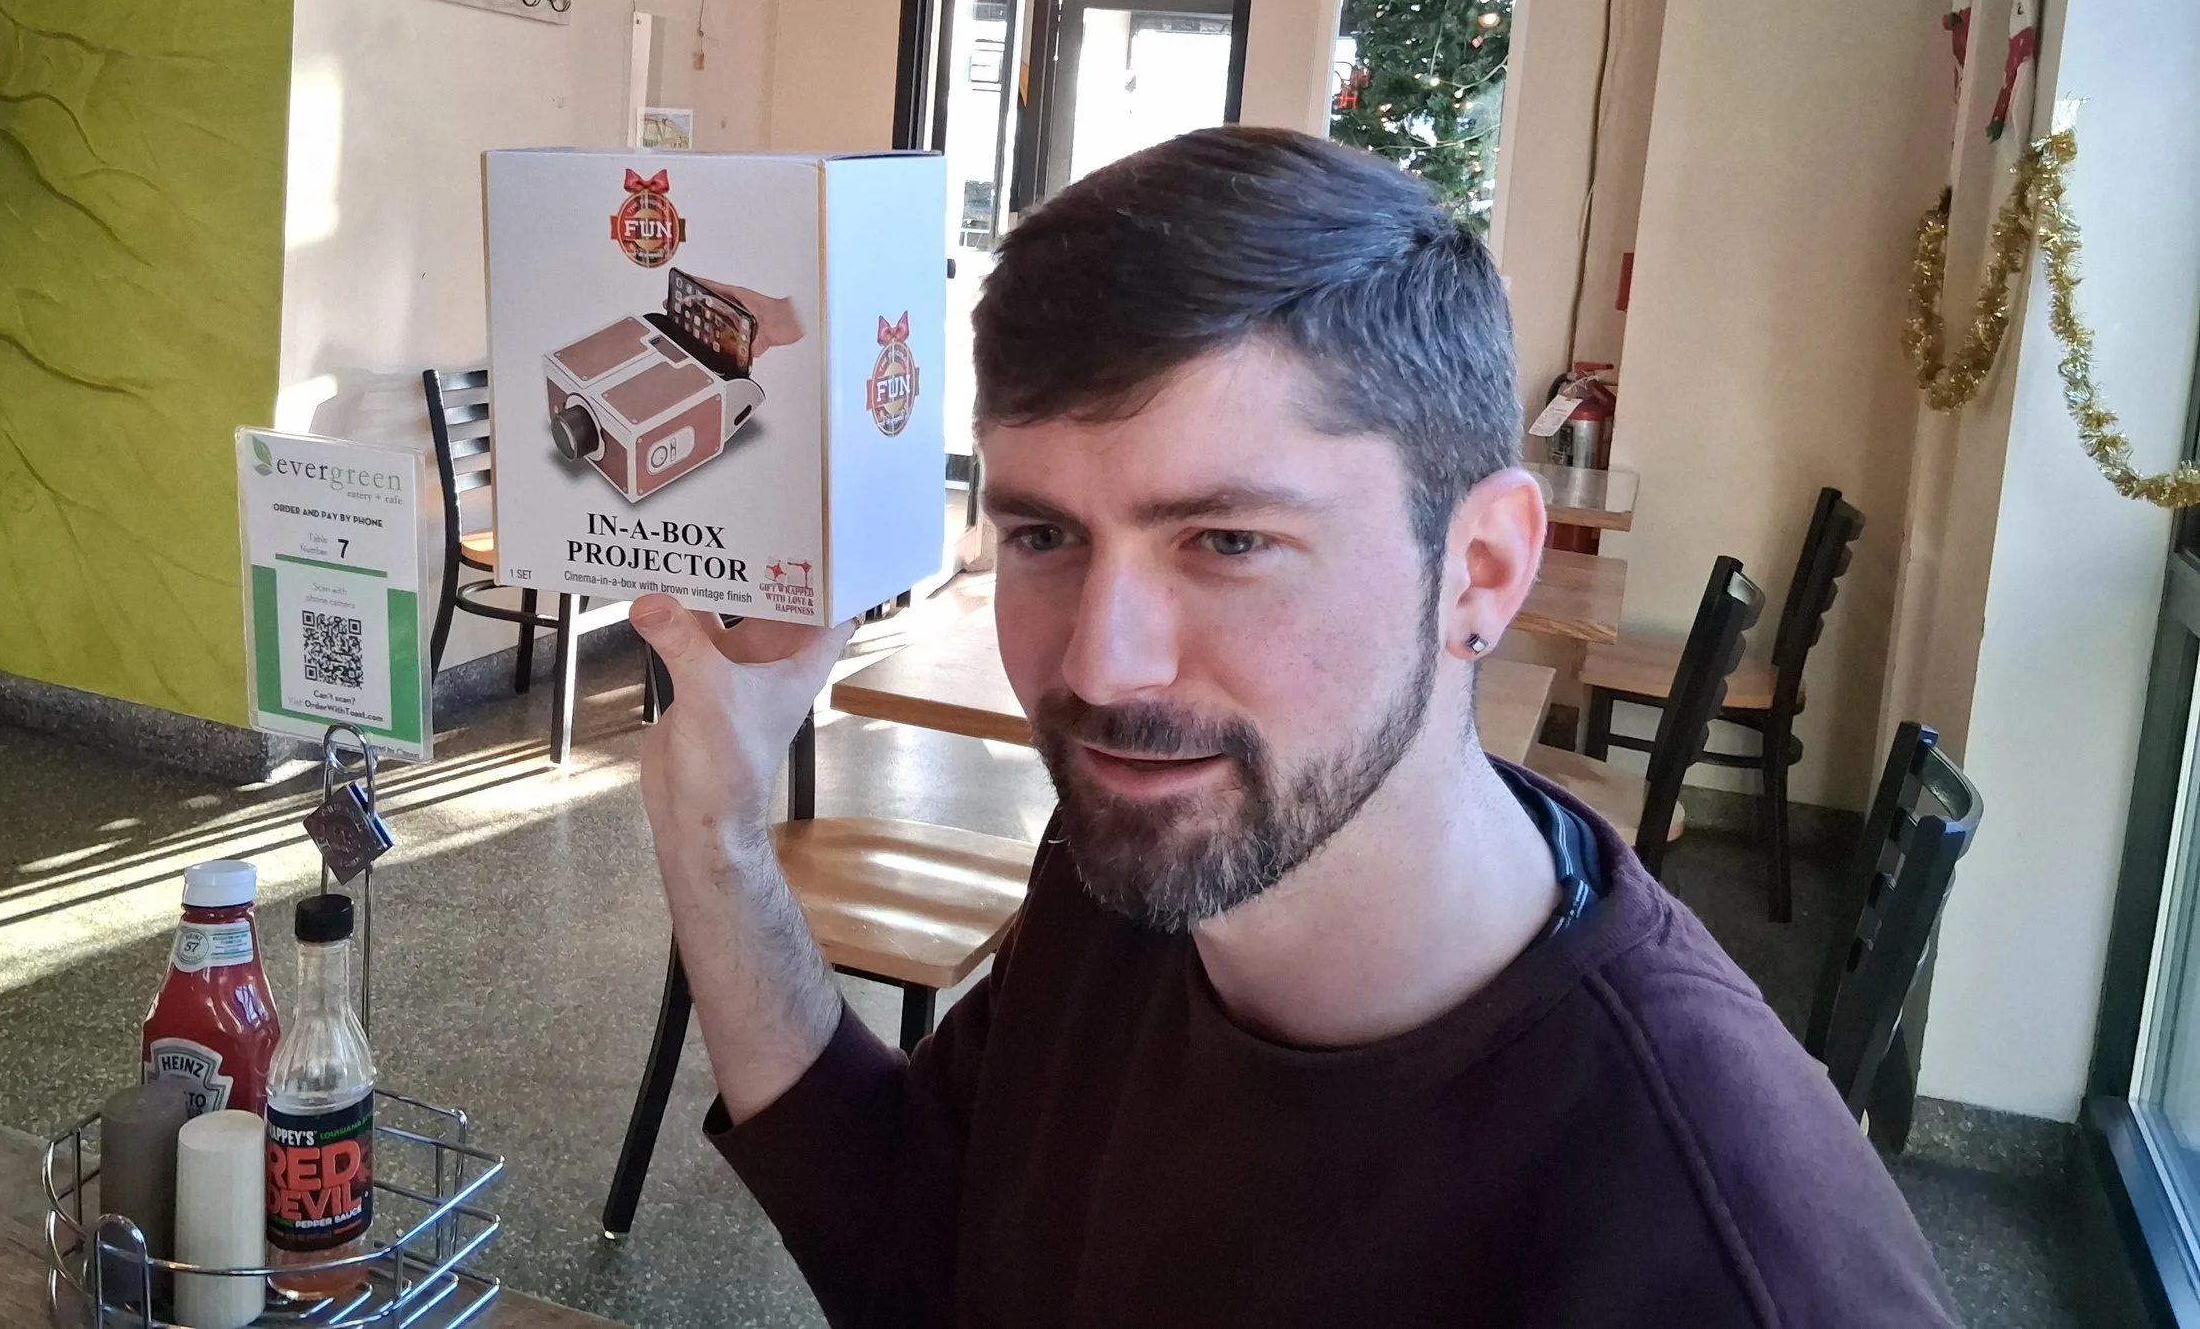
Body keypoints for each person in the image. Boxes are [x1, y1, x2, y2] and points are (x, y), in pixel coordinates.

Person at [630, 126, 1960, 1328]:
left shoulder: (1727, 1256)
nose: (1103, 661)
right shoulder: (1136, 866)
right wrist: (718, 826)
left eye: (1227, 538)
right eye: (1043, 533)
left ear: (1482, 570)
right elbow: (916, 1239)